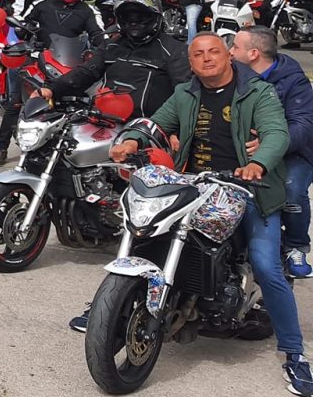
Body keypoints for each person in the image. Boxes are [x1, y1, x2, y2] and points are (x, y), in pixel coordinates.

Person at [104, 34, 312, 394]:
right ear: (191, 61)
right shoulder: (186, 93)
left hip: (249, 189)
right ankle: (105, 309)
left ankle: (295, 355)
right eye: (198, 54)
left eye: (214, 51)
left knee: (266, 265)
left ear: (229, 57)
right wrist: (131, 141)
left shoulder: (257, 92)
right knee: (147, 234)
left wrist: (258, 164)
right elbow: (155, 123)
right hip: (195, 182)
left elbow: (276, 132)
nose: (206, 59)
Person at [0, 0, 106, 165]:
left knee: (83, 106)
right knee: (17, 103)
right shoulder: (42, 4)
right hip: (38, 61)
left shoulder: (88, 11)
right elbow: (22, 24)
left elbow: (99, 35)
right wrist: (24, 30)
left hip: (69, 65)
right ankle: (1, 146)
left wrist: (103, 45)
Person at [231, 26, 313, 279]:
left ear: (254, 53)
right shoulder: (232, 75)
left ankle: (296, 245)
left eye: (235, 47)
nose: (229, 52)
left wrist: (270, 144)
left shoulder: (294, 81)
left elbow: (303, 125)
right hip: (244, 149)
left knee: (292, 190)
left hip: (294, 152)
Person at [38, 0, 189, 119]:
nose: (133, 22)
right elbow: (85, 72)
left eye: (140, 17)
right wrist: (52, 89)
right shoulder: (112, 45)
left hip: (149, 127)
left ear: (155, 17)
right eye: (127, 17)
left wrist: (174, 128)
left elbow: (184, 94)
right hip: (104, 120)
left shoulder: (173, 49)